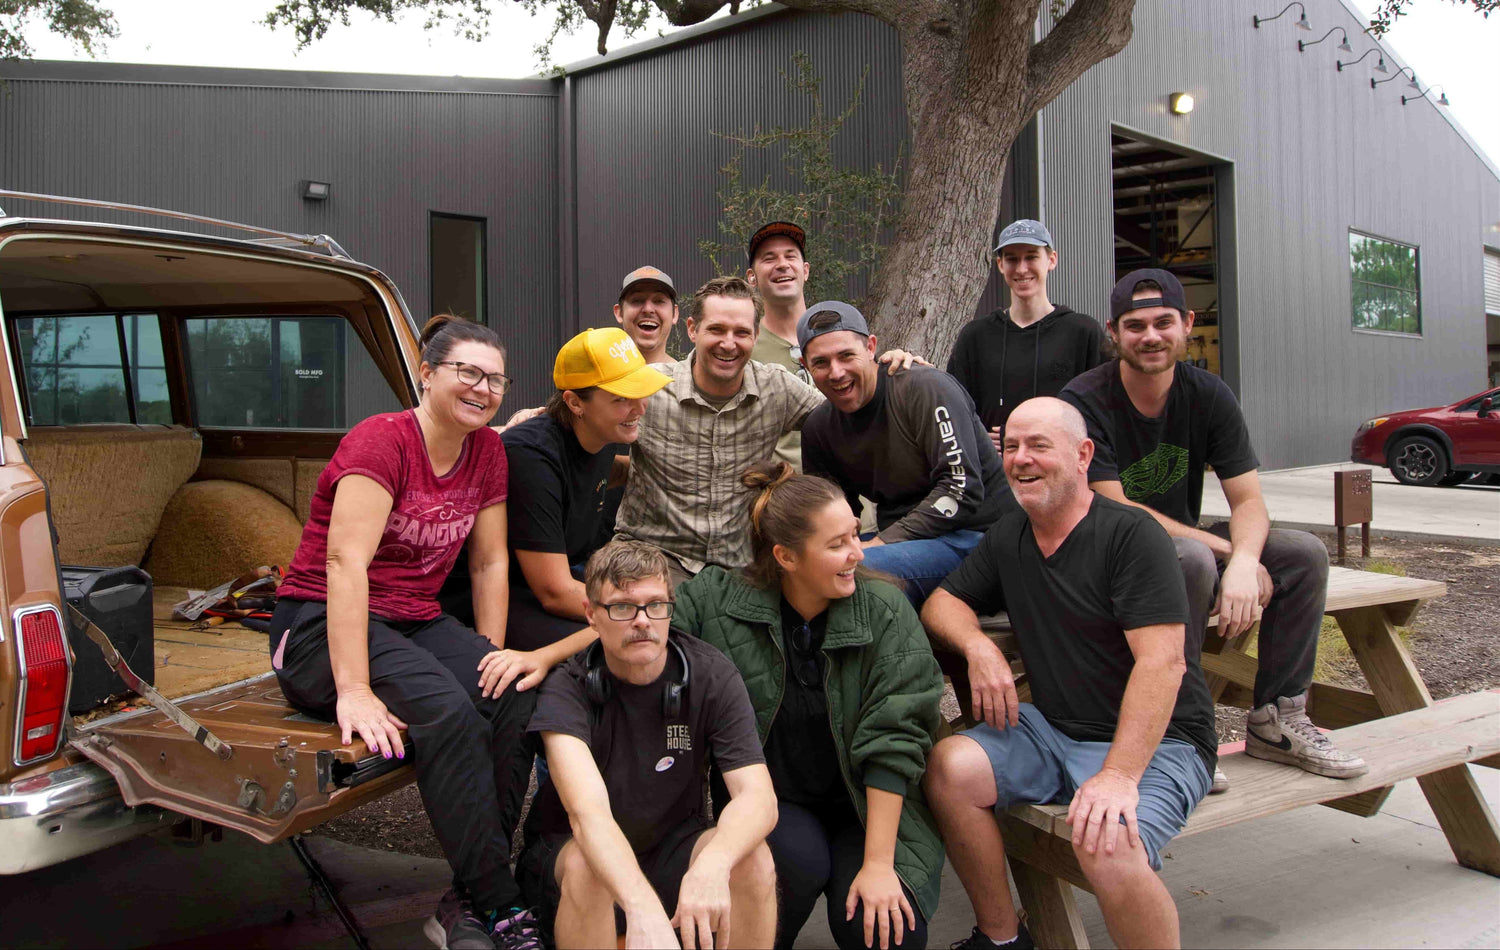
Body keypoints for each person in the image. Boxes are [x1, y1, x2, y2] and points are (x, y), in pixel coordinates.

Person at [269, 314, 543, 950]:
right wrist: (354, 689)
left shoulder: (488, 451)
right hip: (318, 626)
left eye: (496, 379)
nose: (482, 388)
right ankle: (498, 903)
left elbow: (489, 560)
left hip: (411, 619)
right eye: (467, 372)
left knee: (510, 693)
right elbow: (344, 564)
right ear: (426, 374)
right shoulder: (381, 441)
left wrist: (489, 653)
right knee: (449, 712)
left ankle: (470, 891)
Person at [922, 397, 1217, 950]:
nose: (1020, 459)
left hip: (1159, 744)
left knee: (1108, 842)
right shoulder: (1011, 534)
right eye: (1010, 446)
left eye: (1038, 445)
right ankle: (1002, 937)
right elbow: (942, 602)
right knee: (949, 767)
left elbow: (1164, 662)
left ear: (1083, 456)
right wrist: (979, 648)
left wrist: (1119, 776)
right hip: (1053, 728)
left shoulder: (1131, 536)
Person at [1060, 269, 1366, 782]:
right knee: (1191, 556)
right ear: (1113, 333)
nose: (1151, 336)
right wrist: (1227, 553)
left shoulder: (1208, 394)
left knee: (1302, 554)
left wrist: (1246, 560)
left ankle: (1277, 720)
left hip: (1181, 550)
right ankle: (1182, 733)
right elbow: (1118, 510)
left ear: (1187, 325)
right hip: (1102, 555)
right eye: (1136, 326)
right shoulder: (1084, 400)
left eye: (1164, 322)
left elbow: (1248, 499)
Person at [674, 461, 945, 950]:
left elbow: (896, 739)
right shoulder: (716, 600)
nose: (857, 554)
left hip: (867, 807)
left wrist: (881, 865)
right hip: (775, 804)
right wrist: (547, 657)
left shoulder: (884, 608)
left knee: (886, 930)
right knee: (792, 868)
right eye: (837, 544)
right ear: (786, 556)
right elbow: (642, 630)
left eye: (856, 536)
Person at [517, 540, 779, 950]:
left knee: (752, 857)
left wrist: (712, 865)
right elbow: (589, 817)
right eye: (622, 607)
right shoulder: (565, 689)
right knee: (590, 868)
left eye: (656, 605)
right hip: (574, 857)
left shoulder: (710, 674)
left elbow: (758, 797)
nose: (643, 621)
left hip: (672, 845)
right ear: (591, 615)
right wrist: (641, 906)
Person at [614, 277, 923, 588]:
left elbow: (848, 409)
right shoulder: (648, 388)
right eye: (717, 330)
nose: (729, 343)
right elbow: (584, 426)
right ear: (693, 329)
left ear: (756, 335)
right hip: (652, 560)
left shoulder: (776, 388)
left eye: (742, 332)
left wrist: (887, 375)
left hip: (738, 569)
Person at [438, 327, 672, 682]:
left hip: (552, 586)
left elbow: (605, 474)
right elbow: (555, 592)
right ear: (575, 403)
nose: (639, 408)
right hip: (492, 600)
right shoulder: (532, 456)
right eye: (622, 398)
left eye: (640, 393)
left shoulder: (601, 434)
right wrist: (639, 609)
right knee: (627, 643)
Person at [798, 300, 1013, 606]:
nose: (836, 372)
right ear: (806, 367)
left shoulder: (924, 389)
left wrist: (878, 544)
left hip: (979, 538)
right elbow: (835, 512)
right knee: (801, 567)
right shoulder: (819, 428)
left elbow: (960, 488)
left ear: (870, 347)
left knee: (854, 571)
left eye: (846, 356)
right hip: (900, 543)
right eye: (821, 363)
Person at [947, 219, 1106, 451]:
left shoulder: (1084, 333)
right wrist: (978, 438)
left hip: (1061, 473)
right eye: (1012, 258)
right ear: (1000, 265)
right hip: (994, 479)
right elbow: (955, 409)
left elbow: (1103, 411)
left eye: (1031, 257)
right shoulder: (975, 337)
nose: (1022, 269)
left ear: (1051, 260)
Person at [746, 220, 813, 468]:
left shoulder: (839, 335)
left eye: (790, 256)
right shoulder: (740, 349)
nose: (782, 264)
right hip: (779, 498)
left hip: (849, 500)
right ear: (752, 276)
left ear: (805, 270)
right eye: (769, 258)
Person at [615, 265, 681, 365]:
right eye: (637, 300)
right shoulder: (600, 378)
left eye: (659, 301)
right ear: (619, 313)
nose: (648, 309)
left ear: (674, 314)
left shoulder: (687, 379)